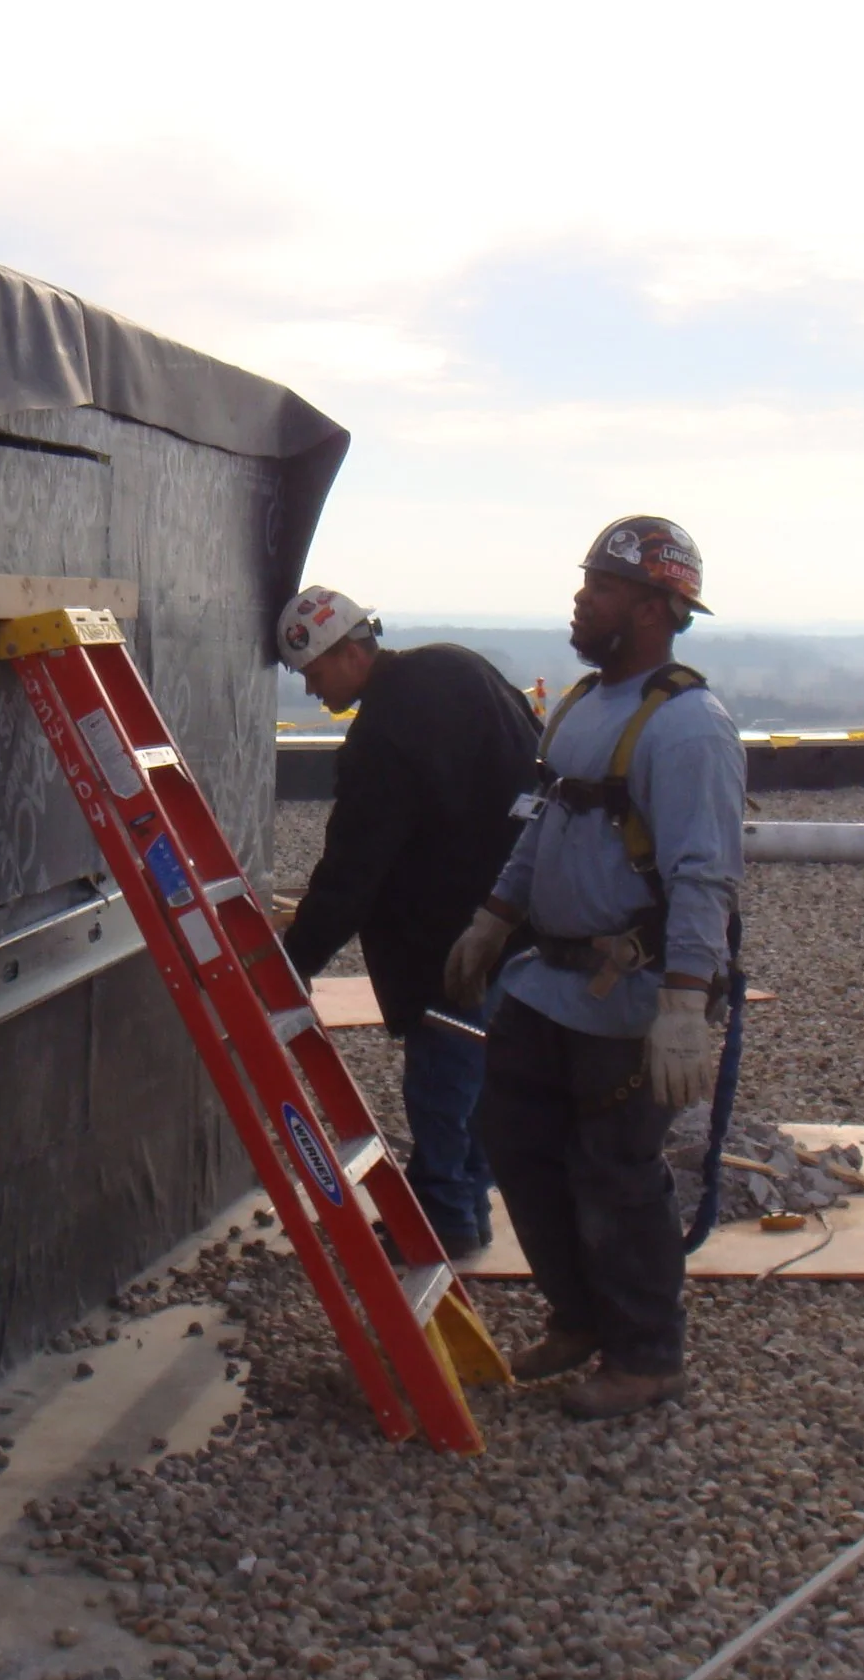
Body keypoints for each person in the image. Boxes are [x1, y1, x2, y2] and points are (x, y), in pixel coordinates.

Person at [442, 517, 745, 1419]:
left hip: (632, 991)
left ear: (657, 609)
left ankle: (648, 1352)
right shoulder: (581, 707)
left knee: (616, 1169)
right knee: (517, 1141)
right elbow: (548, 823)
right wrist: (493, 919)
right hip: (553, 979)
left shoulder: (688, 729)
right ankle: (579, 1316)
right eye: (586, 582)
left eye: (603, 588)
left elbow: (704, 874)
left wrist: (685, 1002)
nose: (582, 598)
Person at [277, 585, 541, 1258]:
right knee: (477, 1074)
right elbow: (538, 769)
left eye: (313, 672)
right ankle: (466, 1206)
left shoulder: (382, 735)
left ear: (349, 651)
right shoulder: (460, 668)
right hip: (512, 920)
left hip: (441, 937)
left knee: (442, 1083)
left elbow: (352, 869)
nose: (311, 690)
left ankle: (444, 1218)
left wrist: (294, 958)